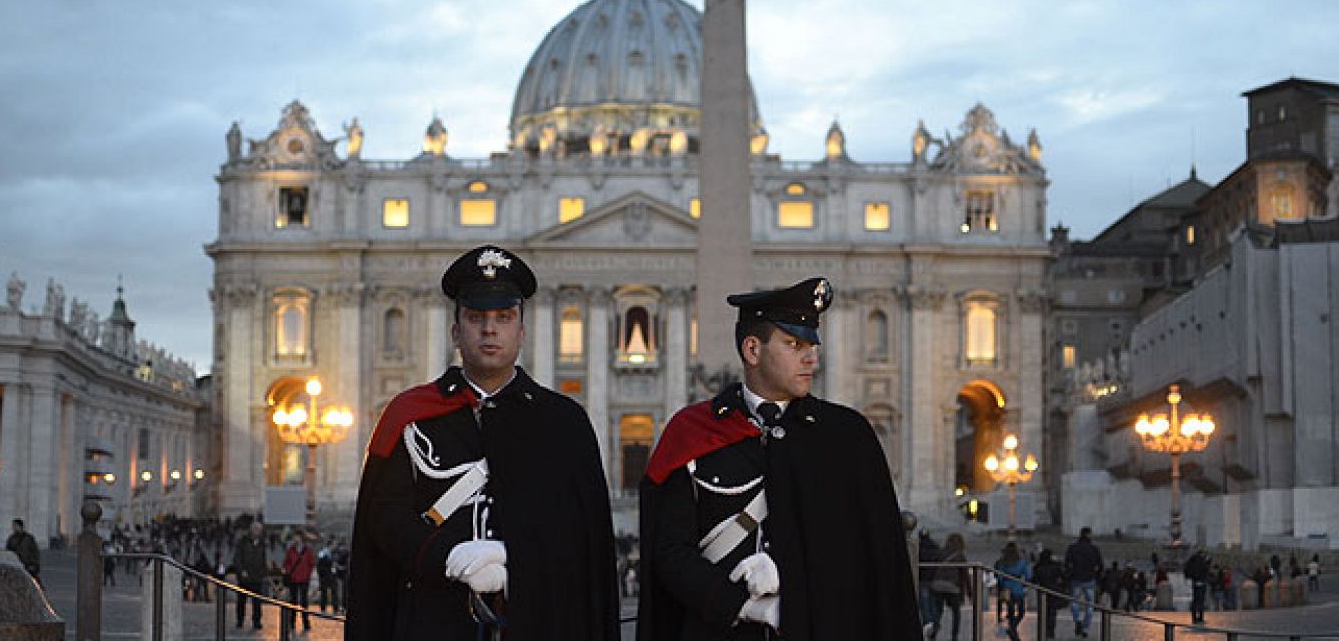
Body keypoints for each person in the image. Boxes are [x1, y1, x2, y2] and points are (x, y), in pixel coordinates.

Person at [346, 245, 619, 640]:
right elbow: (385, 519)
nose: (490, 329)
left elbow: (583, 541)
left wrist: (518, 561)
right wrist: (449, 556)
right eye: (476, 317)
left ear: (522, 331)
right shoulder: (411, 415)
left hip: (537, 620)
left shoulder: (564, 423)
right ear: (456, 331)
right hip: (434, 620)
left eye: (504, 318)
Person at [638, 276, 921, 640]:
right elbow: (670, 553)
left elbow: (872, 556)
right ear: (752, 350)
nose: (811, 357)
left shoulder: (847, 436)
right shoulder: (692, 431)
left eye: (812, 345)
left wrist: (790, 572)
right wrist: (742, 605)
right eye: (793, 344)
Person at [232, 521, 271, 630]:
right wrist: (241, 570)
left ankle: (257, 621)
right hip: (244, 577)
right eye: (254, 529)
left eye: (258, 529)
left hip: (257, 577)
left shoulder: (262, 543)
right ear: (251, 529)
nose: (256, 531)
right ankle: (240, 620)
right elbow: (237, 558)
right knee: (241, 601)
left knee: (257, 602)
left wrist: (264, 573)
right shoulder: (243, 542)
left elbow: (264, 559)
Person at [1064, 527, 1103, 637]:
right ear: (1089, 535)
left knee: (1074, 602)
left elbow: (1067, 563)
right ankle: (1086, 628)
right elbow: (1100, 565)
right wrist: (1097, 577)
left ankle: (1077, 620)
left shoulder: (1072, 548)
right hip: (1090, 579)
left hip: (1076, 578)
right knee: (1089, 605)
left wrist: (1069, 575)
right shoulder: (1094, 549)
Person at [282, 532, 316, 632]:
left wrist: (307, 575)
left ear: (301, 538)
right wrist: (289, 572)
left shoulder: (307, 550)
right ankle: (292, 622)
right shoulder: (291, 550)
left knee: (304, 602)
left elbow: (311, 564)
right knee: (293, 601)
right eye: (294, 537)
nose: (295, 539)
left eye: (297, 537)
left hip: (304, 579)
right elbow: (286, 563)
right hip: (293, 579)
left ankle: (306, 622)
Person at [998, 542, 1031, 641]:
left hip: (1006, 588)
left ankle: (1012, 628)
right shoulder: (1021, 562)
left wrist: (1003, 584)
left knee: (1010, 611)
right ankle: (1013, 627)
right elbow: (1028, 576)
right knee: (1021, 612)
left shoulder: (1002, 562)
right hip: (1018, 588)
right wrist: (1024, 583)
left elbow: (999, 576)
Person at [1032, 549, 1067, 639]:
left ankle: (1043, 630)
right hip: (1053, 591)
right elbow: (1063, 577)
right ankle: (1051, 631)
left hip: (1042, 592)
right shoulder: (1055, 566)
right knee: (1052, 612)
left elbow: (1034, 580)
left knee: (1043, 613)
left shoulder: (1038, 567)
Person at [5, 519, 41, 584]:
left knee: (32, 582)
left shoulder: (29, 538)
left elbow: (35, 552)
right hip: (16, 564)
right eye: (13, 526)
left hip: (27, 565)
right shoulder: (11, 538)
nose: (13, 527)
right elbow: (8, 552)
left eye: (15, 525)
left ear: (20, 526)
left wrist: (34, 564)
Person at [1183, 548, 1211, 624]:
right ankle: (1201, 618)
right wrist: (1208, 562)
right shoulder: (1202, 561)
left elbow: (1186, 569)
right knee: (1201, 601)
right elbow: (1206, 570)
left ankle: (1194, 618)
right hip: (1201, 582)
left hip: (1194, 582)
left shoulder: (1192, 560)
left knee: (1195, 601)